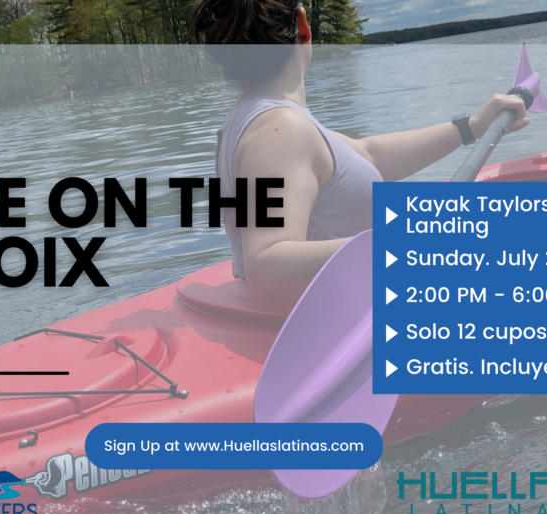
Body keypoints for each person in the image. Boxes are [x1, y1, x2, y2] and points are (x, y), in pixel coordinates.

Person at [190, 0, 529, 305]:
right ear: (303, 26)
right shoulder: (280, 131)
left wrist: (470, 127)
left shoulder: (262, 118)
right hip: (345, 329)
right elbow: (268, 266)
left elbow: (368, 156)